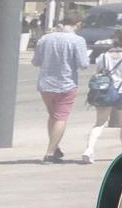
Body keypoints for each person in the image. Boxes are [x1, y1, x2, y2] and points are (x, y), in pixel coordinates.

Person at [33, 11, 93, 163]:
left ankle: (55, 147)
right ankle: (50, 152)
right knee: (61, 117)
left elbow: (36, 61)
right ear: (78, 24)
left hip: (45, 83)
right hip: (66, 83)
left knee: (53, 115)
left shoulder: (46, 38)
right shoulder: (77, 40)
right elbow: (83, 64)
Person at [80, 28, 122, 162]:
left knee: (99, 122)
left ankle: (89, 150)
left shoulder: (103, 57)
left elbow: (98, 75)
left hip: (105, 92)